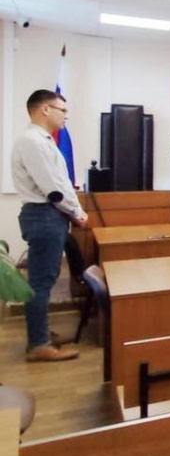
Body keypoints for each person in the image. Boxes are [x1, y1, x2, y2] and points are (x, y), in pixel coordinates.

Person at [11, 89, 87, 362]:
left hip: (48, 216)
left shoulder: (41, 140)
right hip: (45, 215)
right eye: (62, 110)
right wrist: (76, 211)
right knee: (41, 282)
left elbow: (58, 182)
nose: (66, 116)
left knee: (45, 279)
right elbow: (52, 189)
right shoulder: (33, 141)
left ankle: (40, 333)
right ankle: (38, 344)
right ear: (45, 109)